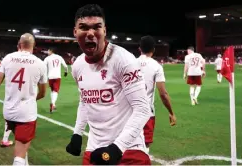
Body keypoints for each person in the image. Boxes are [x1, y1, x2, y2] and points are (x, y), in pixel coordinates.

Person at [66, 4, 151, 165]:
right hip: (94, 149)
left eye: (97, 27)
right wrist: (77, 134)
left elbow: (142, 108)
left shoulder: (123, 60)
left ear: (104, 31)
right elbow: (85, 101)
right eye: (83, 27)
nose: (90, 33)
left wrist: (116, 148)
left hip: (128, 149)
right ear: (75, 32)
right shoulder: (77, 66)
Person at [0, 33, 47, 165]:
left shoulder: (8, 58)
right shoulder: (40, 63)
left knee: (22, 147)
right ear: (33, 46)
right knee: (20, 152)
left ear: (19, 45)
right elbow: (43, 93)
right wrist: (31, 99)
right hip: (26, 114)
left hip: (9, 111)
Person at [137, 36, 176, 156]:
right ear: (153, 50)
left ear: (139, 49)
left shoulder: (130, 63)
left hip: (128, 111)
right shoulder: (156, 66)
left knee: (129, 145)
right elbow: (163, 93)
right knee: (145, 145)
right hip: (146, 112)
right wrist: (171, 112)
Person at [44, 48, 68, 113]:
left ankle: (53, 104)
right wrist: (66, 72)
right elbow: (65, 66)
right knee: (55, 91)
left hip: (50, 76)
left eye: (48, 51)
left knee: (52, 90)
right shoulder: (59, 57)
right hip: (57, 76)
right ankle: (53, 104)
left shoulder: (47, 58)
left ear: (51, 51)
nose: (47, 52)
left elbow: (43, 67)